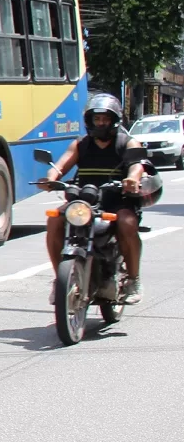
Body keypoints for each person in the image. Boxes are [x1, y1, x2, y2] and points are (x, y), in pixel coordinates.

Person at [40, 92, 149, 304]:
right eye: (96, 119)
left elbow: (137, 166)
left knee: (127, 223)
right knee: (54, 220)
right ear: (90, 121)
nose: (100, 123)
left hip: (117, 199)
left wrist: (131, 179)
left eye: (105, 119)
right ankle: (59, 280)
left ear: (114, 121)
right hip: (85, 200)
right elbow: (61, 166)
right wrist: (50, 178)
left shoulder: (127, 143)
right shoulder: (81, 144)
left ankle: (133, 280)